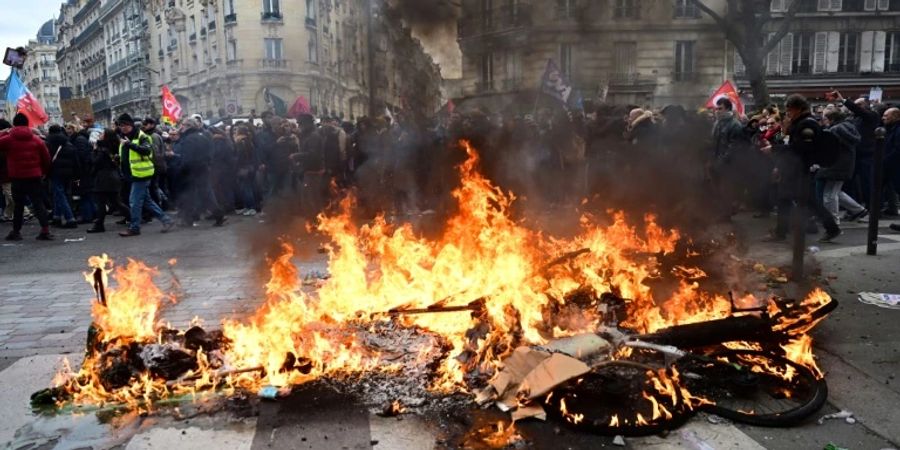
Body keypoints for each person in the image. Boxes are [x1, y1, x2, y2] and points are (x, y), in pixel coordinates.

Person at [768, 94, 842, 242]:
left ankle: (831, 228)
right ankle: (781, 231)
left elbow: (801, 148)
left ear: (797, 109)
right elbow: (786, 141)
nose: (787, 112)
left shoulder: (807, 124)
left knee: (806, 201)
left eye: (789, 109)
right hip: (791, 167)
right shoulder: (798, 122)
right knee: (787, 199)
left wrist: (774, 149)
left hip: (799, 168)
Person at [117, 113, 174, 237]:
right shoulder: (124, 137)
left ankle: (134, 227)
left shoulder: (141, 136)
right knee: (147, 202)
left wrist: (129, 145)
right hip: (132, 174)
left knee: (134, 202)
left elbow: (147, 151)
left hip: (141, 174)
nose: (123, 127)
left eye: (125, 125)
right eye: (121, 125)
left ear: (131, 124)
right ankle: (167, 220)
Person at [0, 113, 53, 240]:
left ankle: (16, 231)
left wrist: (3, 132)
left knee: (18, 206)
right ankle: (45, 230)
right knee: (38, 203)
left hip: (16, 177)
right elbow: (46, 159)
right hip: (34, 176)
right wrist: (44, 172)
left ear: (14, 124)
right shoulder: (36, 140)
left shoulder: (8, 139)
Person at [816, 109, 866, 224]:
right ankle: (858, 210)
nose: (824, 121)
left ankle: (833, 223)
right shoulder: (850, 127)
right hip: (845, 164)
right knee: (835, 192)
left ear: (831, 119)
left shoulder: (834, 129)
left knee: (830, 195)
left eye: (825, 118)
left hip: (835, 165)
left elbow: (829, 149)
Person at [177, 117, 225, 226]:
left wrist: (182, 169)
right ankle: (191, 218)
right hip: (204, 168)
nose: (181, 127)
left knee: (193, 194)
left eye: (183, 125)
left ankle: (217, 214)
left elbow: (187, 157)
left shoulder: (188, 139)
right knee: (204, 193)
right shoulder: (204, 136)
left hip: (192, 170)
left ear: (188, 126)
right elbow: (211, 152)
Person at [87, 128, 130, 233]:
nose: (100, 135)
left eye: (102, 133)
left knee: (101, 203)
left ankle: (99, 225)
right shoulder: (112, 146)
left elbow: (95, 162)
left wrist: (94, 150)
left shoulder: (102, 149)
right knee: (116, 201)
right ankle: (133, 217)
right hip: (112, 177)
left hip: (104, 178)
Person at [46, 125, 80, 228]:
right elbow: (76, 160)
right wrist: (76, 175)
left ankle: (70, 218)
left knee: (59, 194)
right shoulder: (68, 142)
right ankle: (56, 217)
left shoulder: (49, 143)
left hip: (56, 172)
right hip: (69, 173)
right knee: (60, 194)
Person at [883, 108, 900, 232]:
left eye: (886, 115)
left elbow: (897, 149)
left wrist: (885, 161)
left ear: (896, 116)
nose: (883, 117)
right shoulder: (892, 129)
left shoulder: (898, 130)